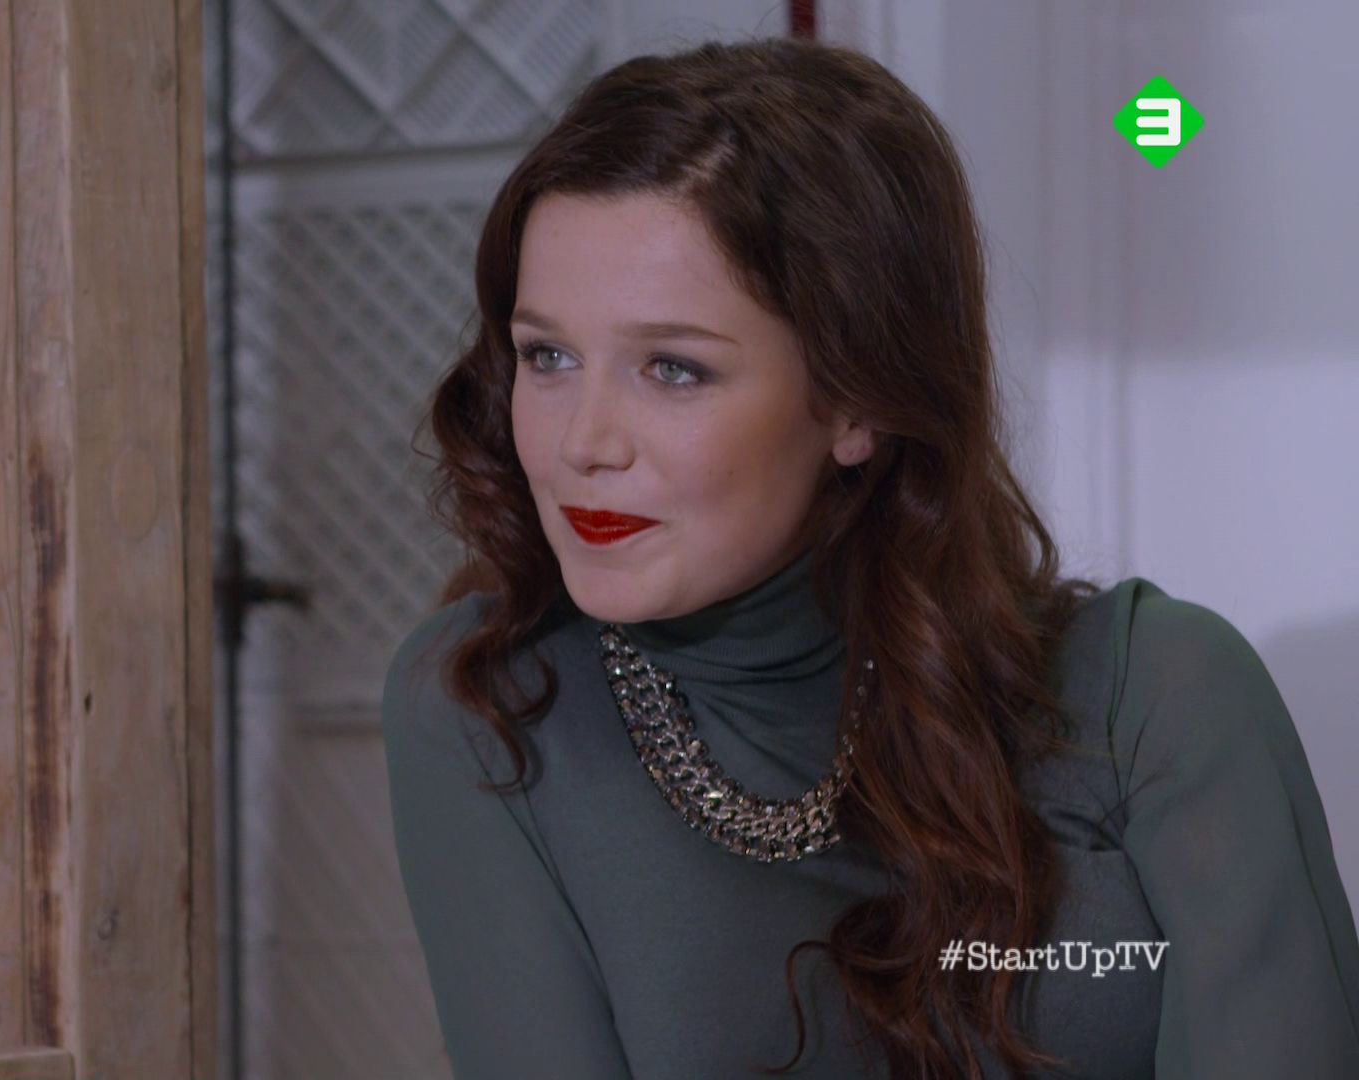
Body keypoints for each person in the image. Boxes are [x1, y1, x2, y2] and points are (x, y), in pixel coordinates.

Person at [379, 35, 1359, 1080]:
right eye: (547, 356)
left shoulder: (1158, 699)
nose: (582, 443)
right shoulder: (492, 705)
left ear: (856, 398)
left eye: (672, 369)